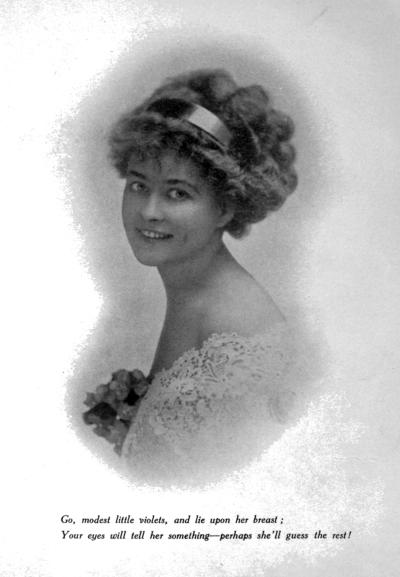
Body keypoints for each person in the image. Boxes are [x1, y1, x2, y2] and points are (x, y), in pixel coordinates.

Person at [107, 69, 298, 486]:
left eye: (178, 193)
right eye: (138, 185)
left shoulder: (236, 333)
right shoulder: (193, 291)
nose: (149, 211)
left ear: (225, 208)